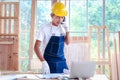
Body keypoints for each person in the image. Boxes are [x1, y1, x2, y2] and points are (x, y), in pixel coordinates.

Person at [34, 2, 70, 74]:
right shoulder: (44, 28)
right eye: (57, 17)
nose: (60, 20)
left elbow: (67, 42)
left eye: (62, 17)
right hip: (49, 63)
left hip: (61, 62)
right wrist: (43, 62)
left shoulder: (62, 28)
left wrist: (67, 30)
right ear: (51, 15)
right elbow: (36, 47)